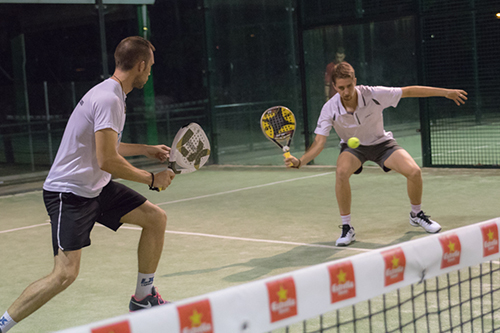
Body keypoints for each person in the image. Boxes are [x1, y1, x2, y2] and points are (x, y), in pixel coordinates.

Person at [0, 36, 175, 333]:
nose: (150, 73)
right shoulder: (109, 99)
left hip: (95, 188)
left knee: (155, 218)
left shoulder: (112, 94)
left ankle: (144, 297)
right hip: (68, 193)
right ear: (141, 65)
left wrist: (146, 149)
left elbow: (107, 148)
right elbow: (106, 159)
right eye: (150, 67)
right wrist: (151, 179)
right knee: (64, 275)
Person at [286, 61, 467, 246]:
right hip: (353, 148)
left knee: (414, 172)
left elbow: (409, 91)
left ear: (355, 80)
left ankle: (416, 214)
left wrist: (446, 92)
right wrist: (300, 162)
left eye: (349, 86)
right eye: (341, 88)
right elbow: (319, 142)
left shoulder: (373, 94)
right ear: (334, 86)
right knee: (341, 173)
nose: (346, 92)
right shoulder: (329, 108)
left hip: (382, 144)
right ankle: (347, 227)